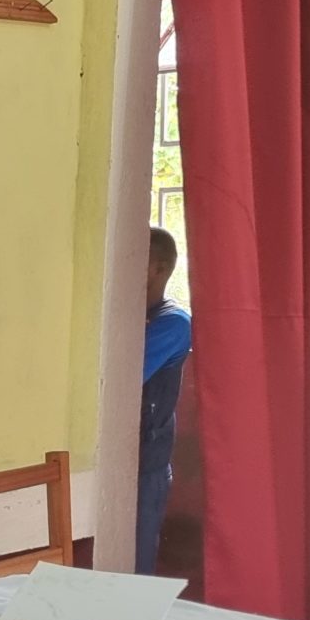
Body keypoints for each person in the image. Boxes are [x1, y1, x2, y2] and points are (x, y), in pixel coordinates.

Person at [137, 230, 190, 576]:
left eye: (136, 259)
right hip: (119, 458)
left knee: (134, 563)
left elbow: (122, 377)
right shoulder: (130, 315)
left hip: (146, 464)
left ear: (159, 269)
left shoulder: (173, 323)